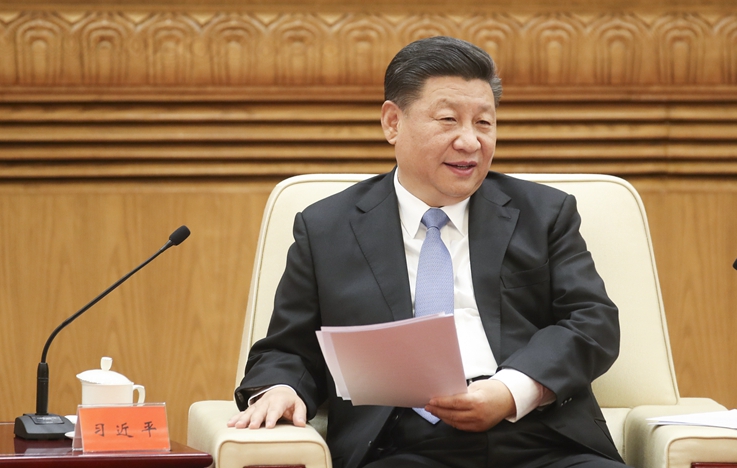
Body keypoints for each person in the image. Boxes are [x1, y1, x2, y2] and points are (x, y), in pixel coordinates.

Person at [228, 36, 626, 468]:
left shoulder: (544, 214)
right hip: (402, 445)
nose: (471, 142)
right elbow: (289, 349)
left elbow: (592, 322)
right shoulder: (327, 227)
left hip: (542, 438)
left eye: (485, 123)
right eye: (449, 120)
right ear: (392, 122)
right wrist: (282, 389)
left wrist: (510, 390)